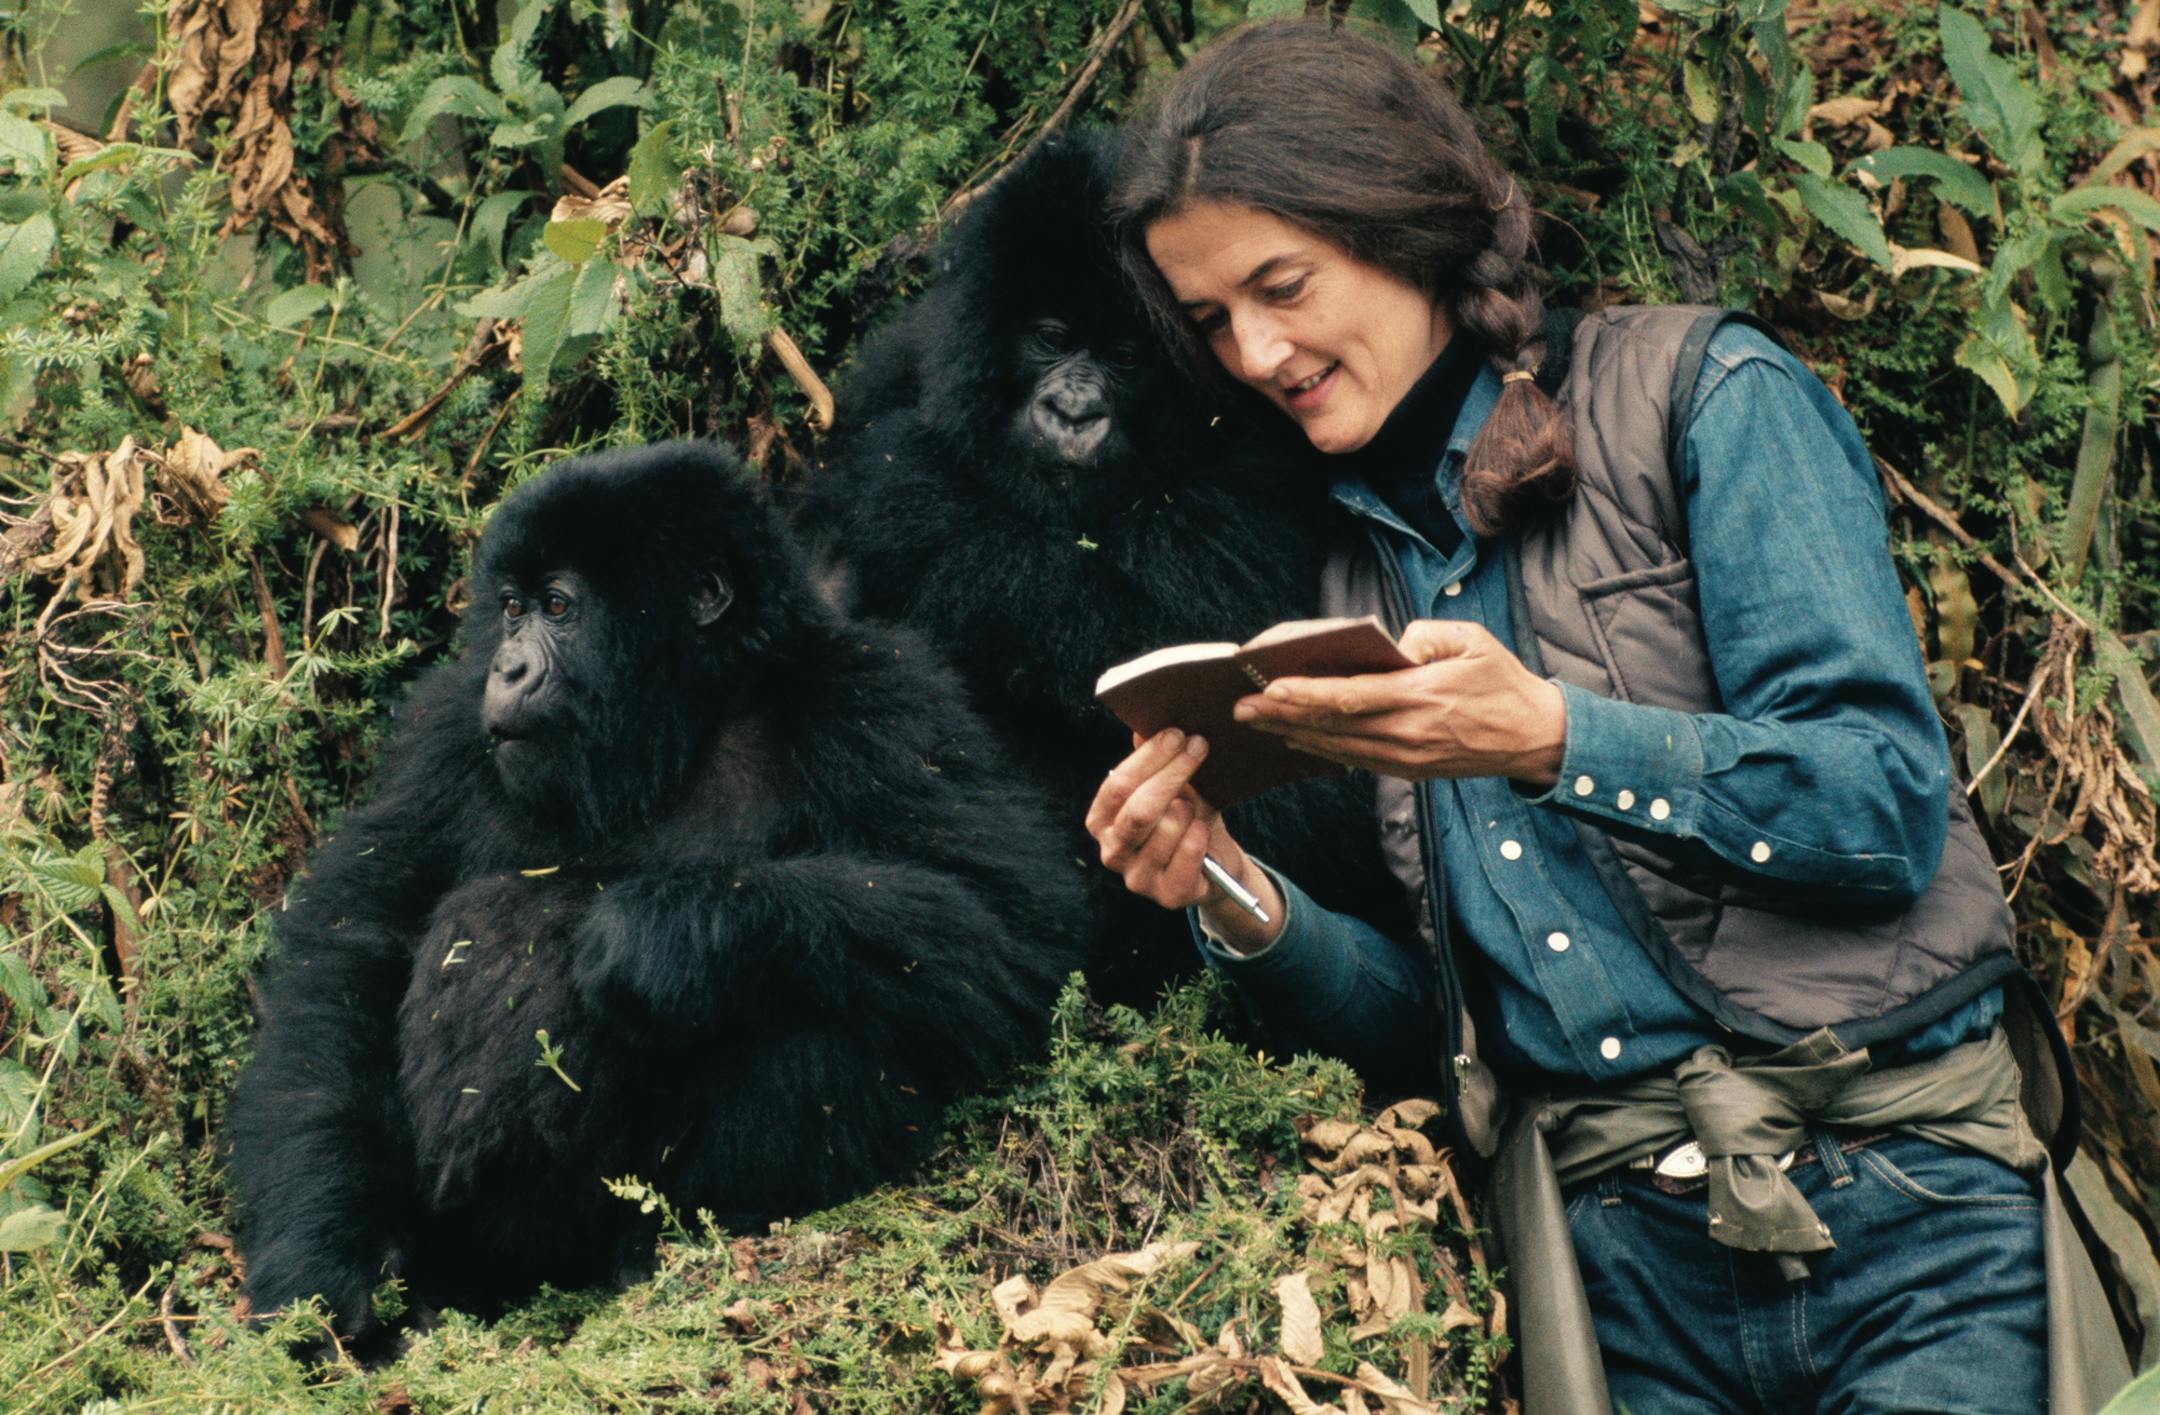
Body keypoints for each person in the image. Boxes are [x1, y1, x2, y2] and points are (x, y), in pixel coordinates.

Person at [1083, 19, 2132, 1415]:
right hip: (1617, 1282)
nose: (1259, 350)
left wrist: (1552, 738)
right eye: (1212, 320)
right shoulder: (1343, 577)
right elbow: (1444, 1033)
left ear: (1403, 224)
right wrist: (1232, 895)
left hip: (1910, 1221)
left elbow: (1881, 806)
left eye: (1281, 285)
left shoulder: (1701, 395)